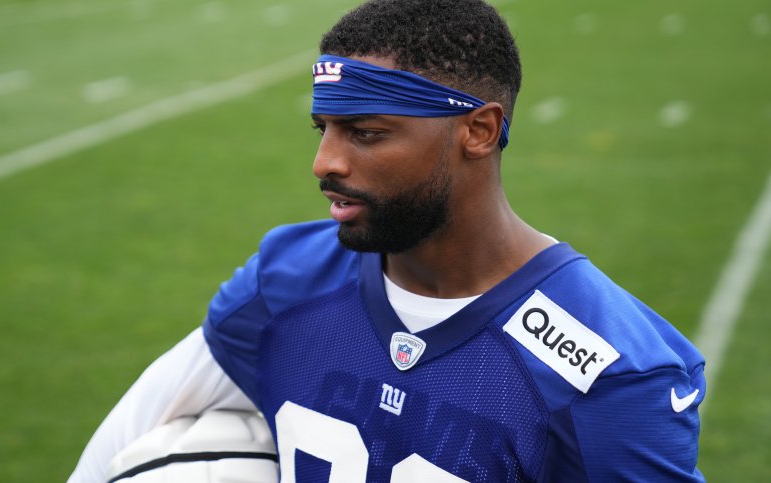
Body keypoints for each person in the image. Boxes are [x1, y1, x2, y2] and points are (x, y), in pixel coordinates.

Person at [69, 0, 705, 481]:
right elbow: (134, 431)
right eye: (323, 129)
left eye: (364, 133)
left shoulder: (612, 370)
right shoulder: (287, 278)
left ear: (479, 131)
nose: (324, 162)